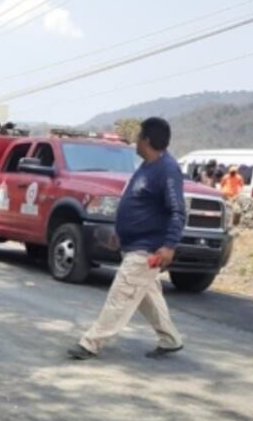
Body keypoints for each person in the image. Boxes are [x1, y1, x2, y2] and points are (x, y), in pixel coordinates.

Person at [68, 117, 185, 360]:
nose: (136, 142)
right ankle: (170, 339)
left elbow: (177, 211)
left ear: (148, 140)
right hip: (135, 245)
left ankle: (91, 343)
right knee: (147, 295)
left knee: (120, 296)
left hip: (148, 249)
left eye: (139, 137)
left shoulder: (168, 170)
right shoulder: (147, 166)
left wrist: (169, 246)